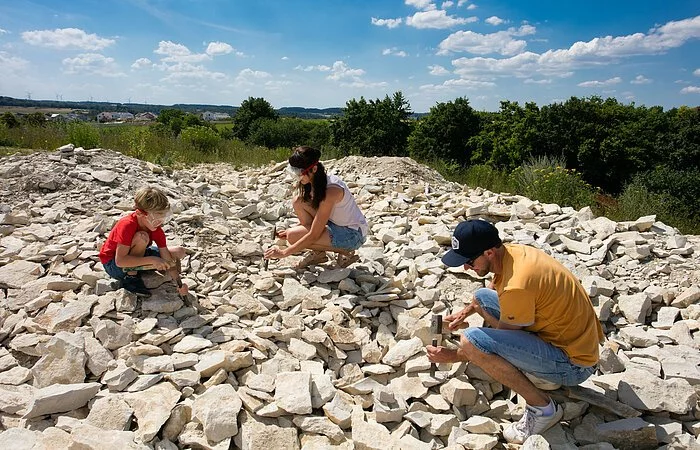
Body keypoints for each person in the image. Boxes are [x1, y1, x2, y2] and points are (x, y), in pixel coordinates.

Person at [426, 219, 604, 444]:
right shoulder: (513, 253)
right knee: (481, 297)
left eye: (470, 262)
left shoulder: (517, 285)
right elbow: (492, 289)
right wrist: (467, 311)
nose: (466, 268)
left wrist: (452, 355)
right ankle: (523, 364)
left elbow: (491, 343)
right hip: (569, 337)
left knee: (471, 341)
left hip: (574, 364)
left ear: (489, 252)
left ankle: (543, 409)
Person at [264, 146, 368, 269]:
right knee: (298, 201)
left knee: (293, 237)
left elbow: (314, 233)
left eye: (299, 173)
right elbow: (315, 221)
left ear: (313, 169)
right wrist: (293, 230)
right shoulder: (316, 180)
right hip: (336, 223)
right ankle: (319, 254)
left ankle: (346, 252)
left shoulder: (331, 191)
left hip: (353, 234)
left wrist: (284, 253)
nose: (297, 177)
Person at [99, 186, 188, 298]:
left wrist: (179, 282)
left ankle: (150, 270)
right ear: (140, 214)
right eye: (156, 219)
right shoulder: (127, 225)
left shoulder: (155, 228)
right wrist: (152, 259)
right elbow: (120, 261)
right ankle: (131, 278)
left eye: (163, 218)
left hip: (136, 254)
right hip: (114, 264)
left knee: (179, 251)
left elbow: (167, 257)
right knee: (142, 237)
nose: (160, 223)